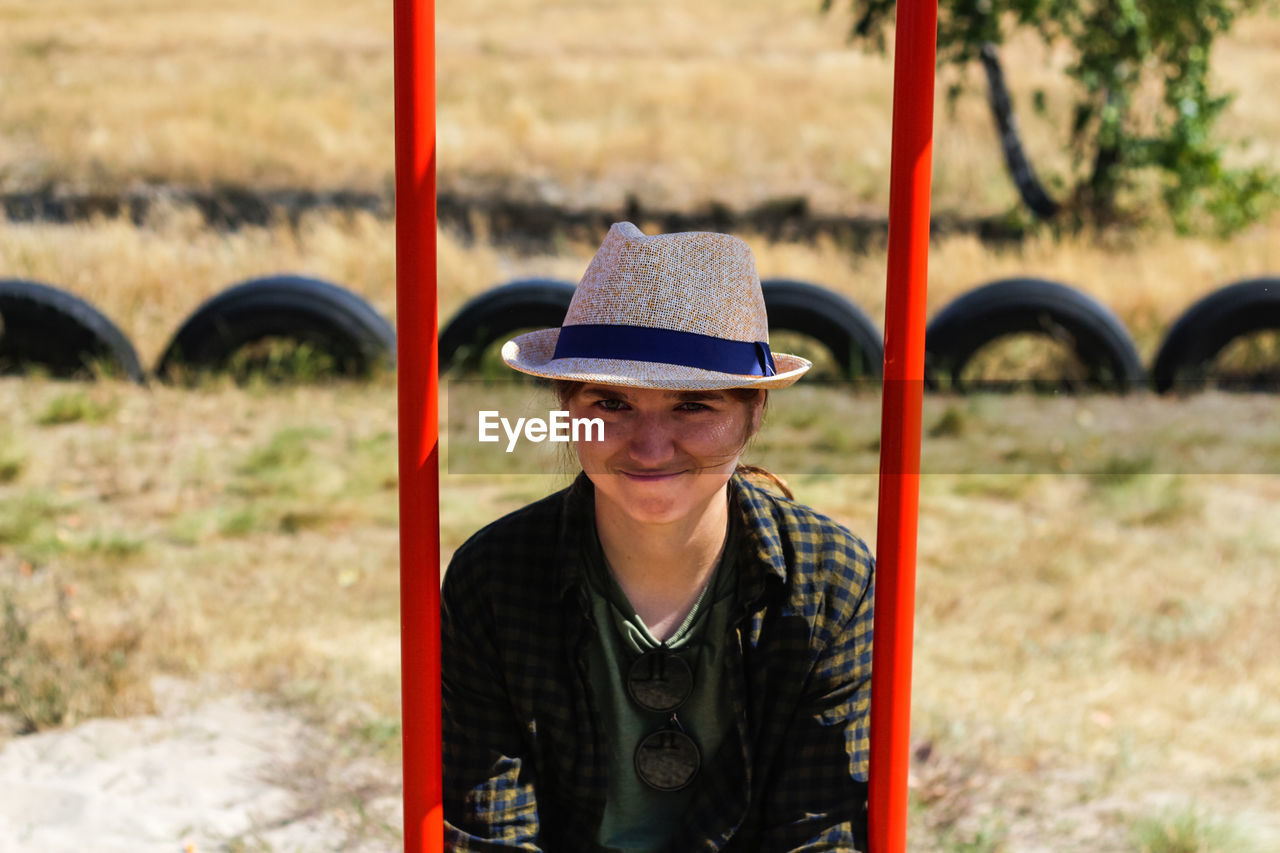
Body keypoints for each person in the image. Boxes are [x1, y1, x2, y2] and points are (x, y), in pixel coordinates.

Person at [442, 222, 874, 851]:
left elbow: (821, 831)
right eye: (611, 404)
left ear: (753, 414)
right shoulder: (493, 576)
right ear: (567, 409)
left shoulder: (831, 580)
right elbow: (491, 833)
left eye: (693, 406)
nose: (650, 448)